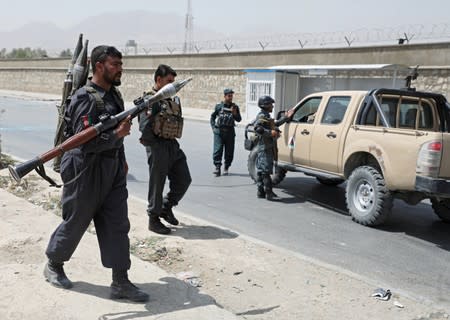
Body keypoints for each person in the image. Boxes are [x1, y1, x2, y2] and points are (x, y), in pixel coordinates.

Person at [44, 46, 149, 302]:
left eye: (120, 64)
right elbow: (83, 142)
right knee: (77, 218)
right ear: (98, 66)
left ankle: (120, 281)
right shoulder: (84, 98)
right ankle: (54, 264)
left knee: (117, 223)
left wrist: (121, 160)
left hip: (111, 167)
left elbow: (117, 132)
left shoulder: (114, 95)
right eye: (115, 64)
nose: (120, 68)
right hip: (85, 168)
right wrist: (117, 136)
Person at [138, 64, 191, 235]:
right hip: (158, 145)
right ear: (159, 80)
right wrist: (153, 145)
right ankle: (153, 219)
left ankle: (166, 207)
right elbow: (144, 125)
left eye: (173, 82)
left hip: (172, 144)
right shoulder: (151, 99)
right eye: (169, 82)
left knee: (184, 179)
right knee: (157, 183)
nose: (172, 86)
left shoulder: (172, 99)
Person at [253, 95, 293, 201]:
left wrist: (286, 117)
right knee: (265, 171)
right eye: (270, 104)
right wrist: (270, 133)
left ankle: (260, 192)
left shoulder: (266, 116)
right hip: (265, 147)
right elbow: (257, 128)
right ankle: (268, 193)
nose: (272, 106)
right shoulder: (262, 116)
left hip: (267, 146)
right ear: (265, 105)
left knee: (261, 170)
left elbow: (274, 124)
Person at [210, 88, 242, 176]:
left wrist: (235, 113)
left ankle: (226, 167)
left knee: (229, 151)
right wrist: (213, 127)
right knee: (217, 150)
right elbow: (212, 117)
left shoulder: (235, 107)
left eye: (231, 96)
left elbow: (239, 119)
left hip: (230, 132)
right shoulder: (219, 106)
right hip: (219, 132)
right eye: (229, 96)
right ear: (224, 96)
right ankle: (217, 168)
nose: (230, 97)